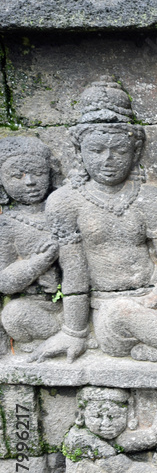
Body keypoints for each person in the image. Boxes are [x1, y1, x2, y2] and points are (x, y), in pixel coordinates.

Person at [30, 78, 157, 364]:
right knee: (123, 312)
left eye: (119, 151)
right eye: (96, 151)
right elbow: (74, 274)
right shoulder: (65, 201)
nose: (108, 160)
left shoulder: (150, 197)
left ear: (135, 152)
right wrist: (74, 332)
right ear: (79, 152)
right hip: (108, 310)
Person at [0, 136, 62, 347]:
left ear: (51, 174)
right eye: (17, 176)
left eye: (38, 173)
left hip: (76, 303)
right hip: (37, 307)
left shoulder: (64, 209)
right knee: (13, 314)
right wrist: (40, 261)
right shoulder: (6, 224)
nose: (30, 182)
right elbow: (4, 282)